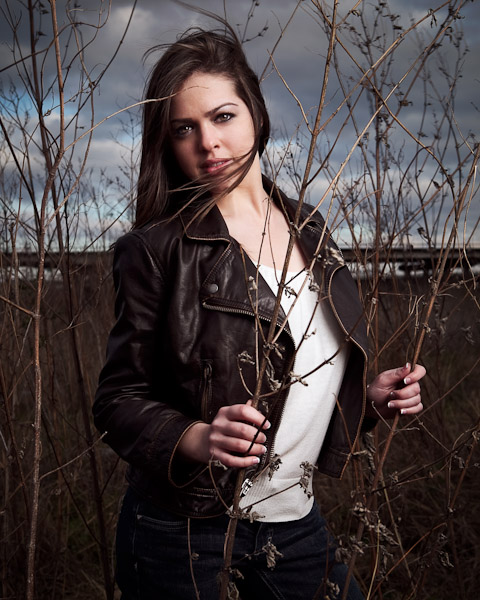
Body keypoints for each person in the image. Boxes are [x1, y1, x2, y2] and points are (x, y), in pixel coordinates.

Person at [93, 24, 426, 600]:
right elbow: (117, 400)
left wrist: (366, 398)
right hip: (185, 533)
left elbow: (303, 374)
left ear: (255, 114)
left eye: (223, 117)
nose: (208, 143)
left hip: (295, 524)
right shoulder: (154, 251)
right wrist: (196, 437)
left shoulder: (311, 230)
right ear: (167, 144)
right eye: (184, 129)